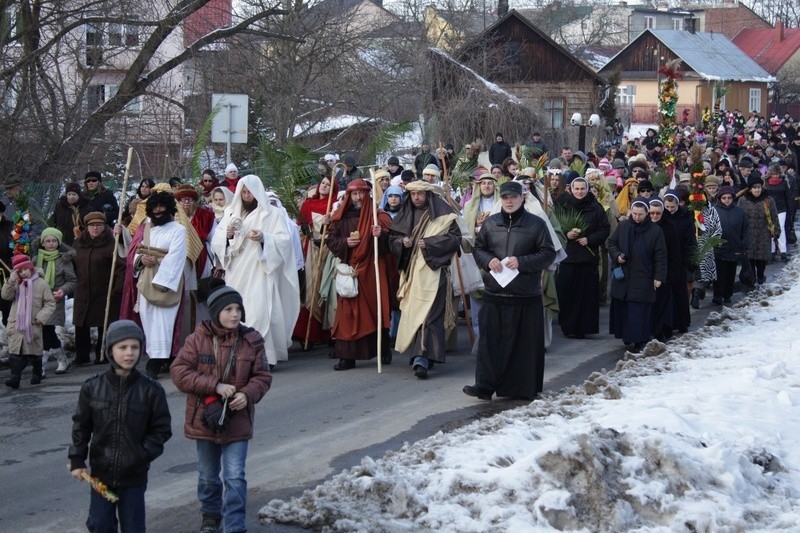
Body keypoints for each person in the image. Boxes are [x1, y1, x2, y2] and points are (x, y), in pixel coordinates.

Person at [170, 283, 271, 533]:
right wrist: (214, 385)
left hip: (238, 419)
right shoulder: (197, 339)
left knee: (235, 476)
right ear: (215, 312)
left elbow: (263, 377)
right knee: (207, 475)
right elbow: (179, 372)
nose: (235, 314)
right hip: (204, 418)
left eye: (238, 308)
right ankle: (210, 516)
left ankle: (235, 525)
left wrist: (247, 395)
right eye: (228, 309)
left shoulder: (252, 340)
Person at [69, 320, 172, 533]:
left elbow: (161, 430)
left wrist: (142, 454)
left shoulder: (151, 390)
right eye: (122, 347)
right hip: (101, 475)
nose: (129, 353)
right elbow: (81, 425)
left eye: (134, 347)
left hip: (133, 476)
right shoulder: (92, 387)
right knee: (100, 524)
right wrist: (77, 459)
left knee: (133, 527)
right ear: (110, 350)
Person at [463, 181, 556, 401]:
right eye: (505, 198)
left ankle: (521, 389)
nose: (509, 201)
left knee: (523, 347)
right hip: (495, 294)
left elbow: (548, 254)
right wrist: (489, 261)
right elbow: (479, 249)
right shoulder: (491, 223)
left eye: (513, 197)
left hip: (524, 295)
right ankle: (484, 386)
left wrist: (521, 262)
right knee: (489, 344)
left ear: (522, 198)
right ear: (500, 199)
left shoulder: (536, 224)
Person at [210, 175, 300, 368]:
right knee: (237, 314)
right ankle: (238, 357)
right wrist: (228, 236)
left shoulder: (272, 214)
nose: (247, 195)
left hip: (260, 269)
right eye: (243, 192)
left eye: (250, 191)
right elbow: (217, 241)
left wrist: (264, 237)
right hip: (236, 271)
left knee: (259, 312)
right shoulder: (231, 213)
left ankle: (264, 356)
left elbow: (284, 241)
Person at [389, 181, 461, 379]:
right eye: (413, 195)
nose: (417, 198)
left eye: (420, 194)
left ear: (428, 195)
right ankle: (423, 354)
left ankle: (422, 358)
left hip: (434, 273)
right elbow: (392, 239)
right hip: (412, 274)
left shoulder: (444, 216)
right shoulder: (406, 214)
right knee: (414, 313)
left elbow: (456, 239)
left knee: (429, 316)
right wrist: (402, 242)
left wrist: (430, 243)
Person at [326, 179, 393, 370]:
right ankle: (347, 357)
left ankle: (382, 349)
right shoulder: (341, 216)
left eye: (361, 193)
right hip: (350, 269)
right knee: (347, 313)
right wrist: (345, 243)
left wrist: (381, 234)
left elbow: (391, 242)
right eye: (354, 194)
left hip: (372, 270)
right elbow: (331, 240)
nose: (358, 197)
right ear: (349, 195)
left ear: (367, 194)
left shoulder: (377, 215)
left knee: (374, 309)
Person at [123, 191, 188, 379]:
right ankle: (154, 355)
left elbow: (176, 258)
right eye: (154, 207)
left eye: (162, 206)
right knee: (148, 319)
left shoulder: (178, 230)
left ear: (169, 208)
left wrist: (161, 280)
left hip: (166, 281)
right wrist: (142, 259)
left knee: (164, 321)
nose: (158, 210)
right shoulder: (147, 228)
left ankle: (157, 361)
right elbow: (136, 252)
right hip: (146, 279)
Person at [608, 199, 667, 352]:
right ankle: (627, 337)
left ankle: (640, 340)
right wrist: (617, 256)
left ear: (647, 213)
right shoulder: (624, 226)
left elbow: (660, 256)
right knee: (624, 309)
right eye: (634, 214)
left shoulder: (655, 231)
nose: (637, 217)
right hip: (624, 276)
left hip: (644, 276)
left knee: (638, 311)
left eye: (641, 214)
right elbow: (612, 243)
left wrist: (659, 276)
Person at [555, 177, 610, 339]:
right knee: (567, 293)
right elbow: (555, 226)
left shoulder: (595, 207)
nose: (579, 192)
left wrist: (589, 239)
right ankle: (568, 326)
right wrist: (567, 234)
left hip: (587, 257)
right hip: (568, 256)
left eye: (582, 189)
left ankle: (584, 327)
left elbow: (604, 229)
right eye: (576, 189)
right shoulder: (563, 205)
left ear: (587, 189)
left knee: (586, 296)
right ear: (571, 190)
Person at [72, 212, 125, 366]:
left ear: (104, 226)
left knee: (104, 322)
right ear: (86, 227)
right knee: (81, 323)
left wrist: (118, 287)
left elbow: (121, 267)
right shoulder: (78, 243)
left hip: (104, 290)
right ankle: (82, 354)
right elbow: (71, 263)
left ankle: (102, 354)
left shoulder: (112, 243)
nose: (95, 228)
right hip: (82, 289)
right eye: (92, 225)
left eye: (99, 225)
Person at [293, 177, 339, 347]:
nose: (325, 187)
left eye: (329, 185)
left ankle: (329, 332)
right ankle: (308, 334)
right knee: (310, 288)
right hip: (311, 247)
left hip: (329, 249)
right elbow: (301, 226)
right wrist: (310, 227)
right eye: (324, 184)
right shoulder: (307, 205)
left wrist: (329, 221)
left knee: (326, 287)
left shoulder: (335, 204)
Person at [2, 254, 56, 389]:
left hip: (33, 324)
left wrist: (41, 317)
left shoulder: (41, 284)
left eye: (25, 269)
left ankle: (37, 372)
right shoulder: (15, 283)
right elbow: (6, 296)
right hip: (16, 324)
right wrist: (10, 281)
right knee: (15, 353)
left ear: (31, 268)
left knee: (34, 353)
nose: (23, 273)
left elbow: (50, 303)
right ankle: (15, 378)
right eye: (19, 271)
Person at [32, 228, 76, 375]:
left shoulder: (64, 259)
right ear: (42, 243)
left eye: (54, 241)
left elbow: (72, 281)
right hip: (38, 300)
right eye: (47, 241)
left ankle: (41, 367)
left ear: (58, 242)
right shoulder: (36, 260)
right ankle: (62, 358)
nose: (51, 244)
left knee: (47, 329)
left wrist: (62, 290)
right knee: (45, 330)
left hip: (55, 299)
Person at [647, 198, 681, 341]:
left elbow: (674, 252)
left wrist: (671, 273)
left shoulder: (669, 227)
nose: (654, 216)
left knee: (661, 303)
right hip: (645, 272)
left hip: (663, 272)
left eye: (658, 213)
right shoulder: (643, 226)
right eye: (651, 213)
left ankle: (660, 330)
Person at [738, 174, 779, 285]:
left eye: (759, 187)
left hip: (763, 233)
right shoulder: (743, 200)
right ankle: (752, 277)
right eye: (754, 188)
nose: (757, 190)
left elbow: (774, 215)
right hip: (748, 233)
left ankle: (761, 275)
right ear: (750, 189)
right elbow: (738, 217)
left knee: (761, 258)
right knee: (750, 257)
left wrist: (776, 231)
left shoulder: (768, 200)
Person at [712, 186, 748, 305]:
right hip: (719, 248)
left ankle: (728, 294)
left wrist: (743, 243)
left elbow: (745, 229)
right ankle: (717, 295)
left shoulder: (739, 212)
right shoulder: (713, 211)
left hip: (734, 247)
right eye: (724, 198)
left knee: (731, 273)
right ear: (719, 198)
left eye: (729, 198)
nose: (726, 200)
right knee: (719, 274)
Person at [763, 162, 792, 261]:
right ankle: (772, 251)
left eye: (777, 174)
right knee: (770, 228)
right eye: (773, 174)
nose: (775, 176)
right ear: (770, 174)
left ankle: (783, 251)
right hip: (768, 208)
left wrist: (790, 209)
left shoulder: (784, 182)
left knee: (781, 228)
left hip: (781, 208)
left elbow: (788, 197)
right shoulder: (765, 183)